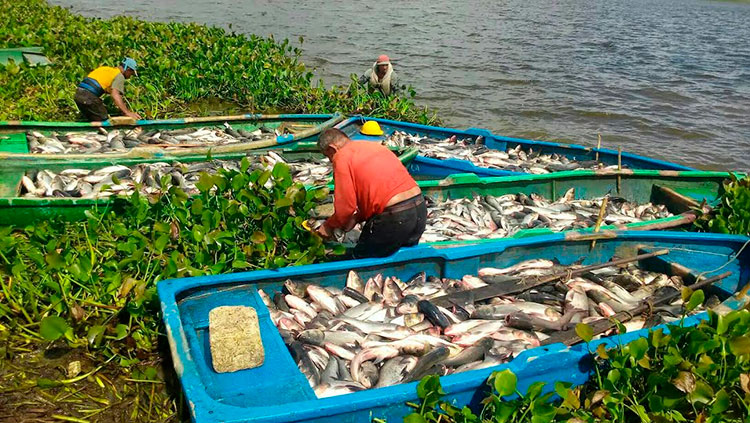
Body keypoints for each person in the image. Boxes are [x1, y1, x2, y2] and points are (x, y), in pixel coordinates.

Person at [315, 128, 426, 258]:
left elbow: (346, 208)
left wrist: (328, 226)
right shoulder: (373, 146)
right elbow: (378, 192)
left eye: (329, 157)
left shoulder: (341, 156)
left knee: (361, 260)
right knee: (402, 259)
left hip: (395, 216)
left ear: (332, 148)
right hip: (420, 208)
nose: (331, 161)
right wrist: (356, 218)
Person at [74, 58, 142, 122]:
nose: (130, 77)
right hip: (88, 96)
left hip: (78, 94)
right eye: (131, 74)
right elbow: (115, 95)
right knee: (103, 119)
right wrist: (127, 112)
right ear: (128, 70)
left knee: (95, 118)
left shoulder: (106, 69)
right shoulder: (119, 76)